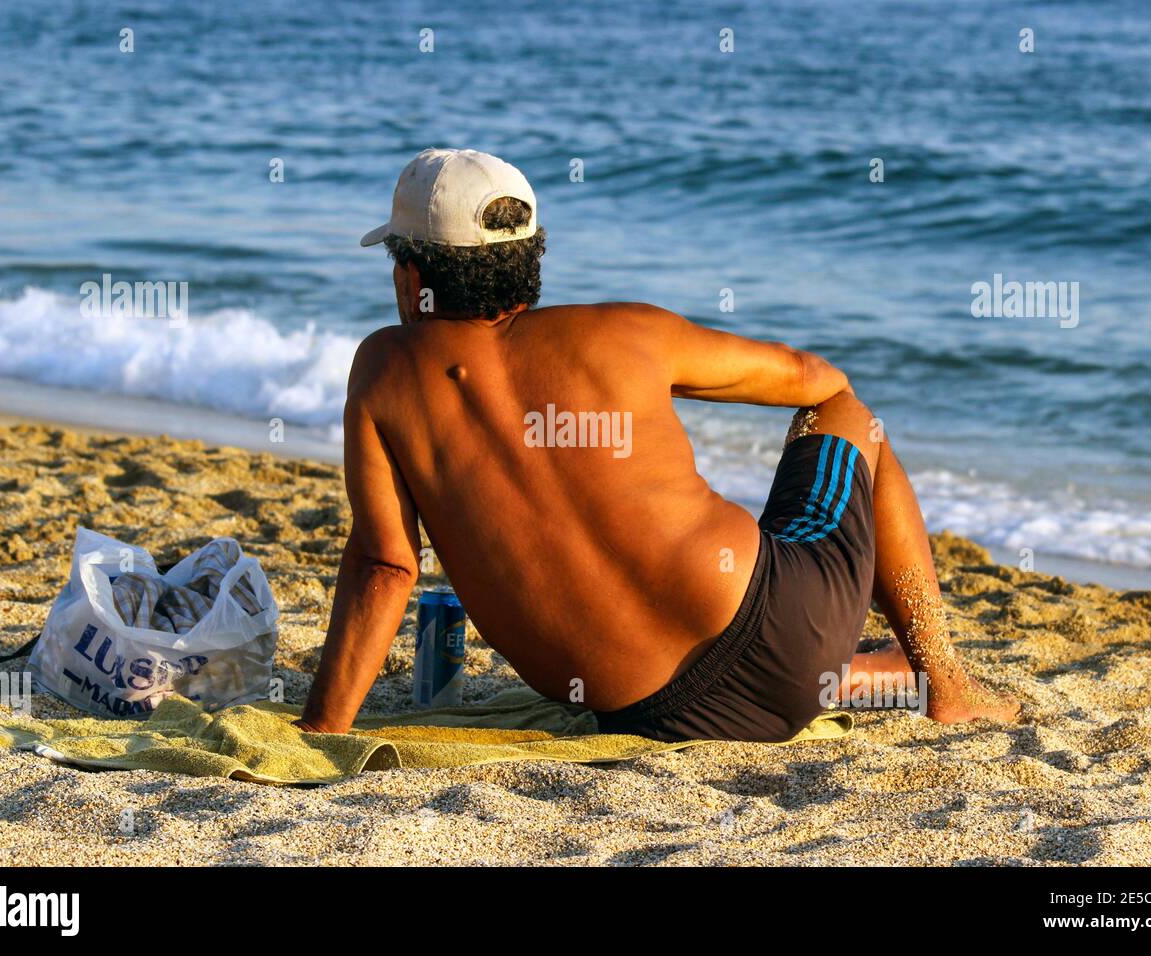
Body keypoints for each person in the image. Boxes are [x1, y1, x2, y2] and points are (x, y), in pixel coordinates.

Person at [297, 148, 1019, 741]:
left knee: (704, 640)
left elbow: (387, 566)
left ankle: (878, 674)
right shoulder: (627, 333)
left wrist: (324, 727)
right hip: (785, 630)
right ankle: (944, 683)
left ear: (410, 276)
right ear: (531, 263)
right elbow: (819, 380)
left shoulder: (385, 370)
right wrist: (666, 378)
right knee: (854, 418)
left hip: (658, 716)